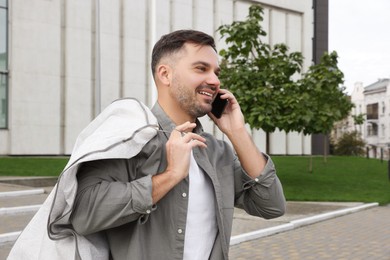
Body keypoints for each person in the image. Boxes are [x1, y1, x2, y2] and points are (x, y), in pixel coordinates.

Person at [69, 29, 286, 260]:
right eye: (201, 68)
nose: (215, 80)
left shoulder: (217, 152)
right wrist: (171, 175)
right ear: (165, 74)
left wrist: (237, 132)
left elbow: (271, 206)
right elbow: (83, 214)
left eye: (216, 72)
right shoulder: (127, 139)